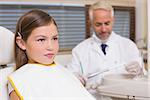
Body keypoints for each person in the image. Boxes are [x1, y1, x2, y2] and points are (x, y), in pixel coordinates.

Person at [8, 9, 95, 100]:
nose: (51, 47)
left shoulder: (62, 71)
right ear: (21, 43)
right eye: (41, 40)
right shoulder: (19, 81)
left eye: (54, 38)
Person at [66, 0, 145, 99]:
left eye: (107, 23)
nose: (103, 29)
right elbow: (70, 78)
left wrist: (140, 71)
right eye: (98, 24)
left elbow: (142, 80)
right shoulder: (79, 50)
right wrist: (74, 79)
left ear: (113, 20)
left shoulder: (128, 46)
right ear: (90, 23)